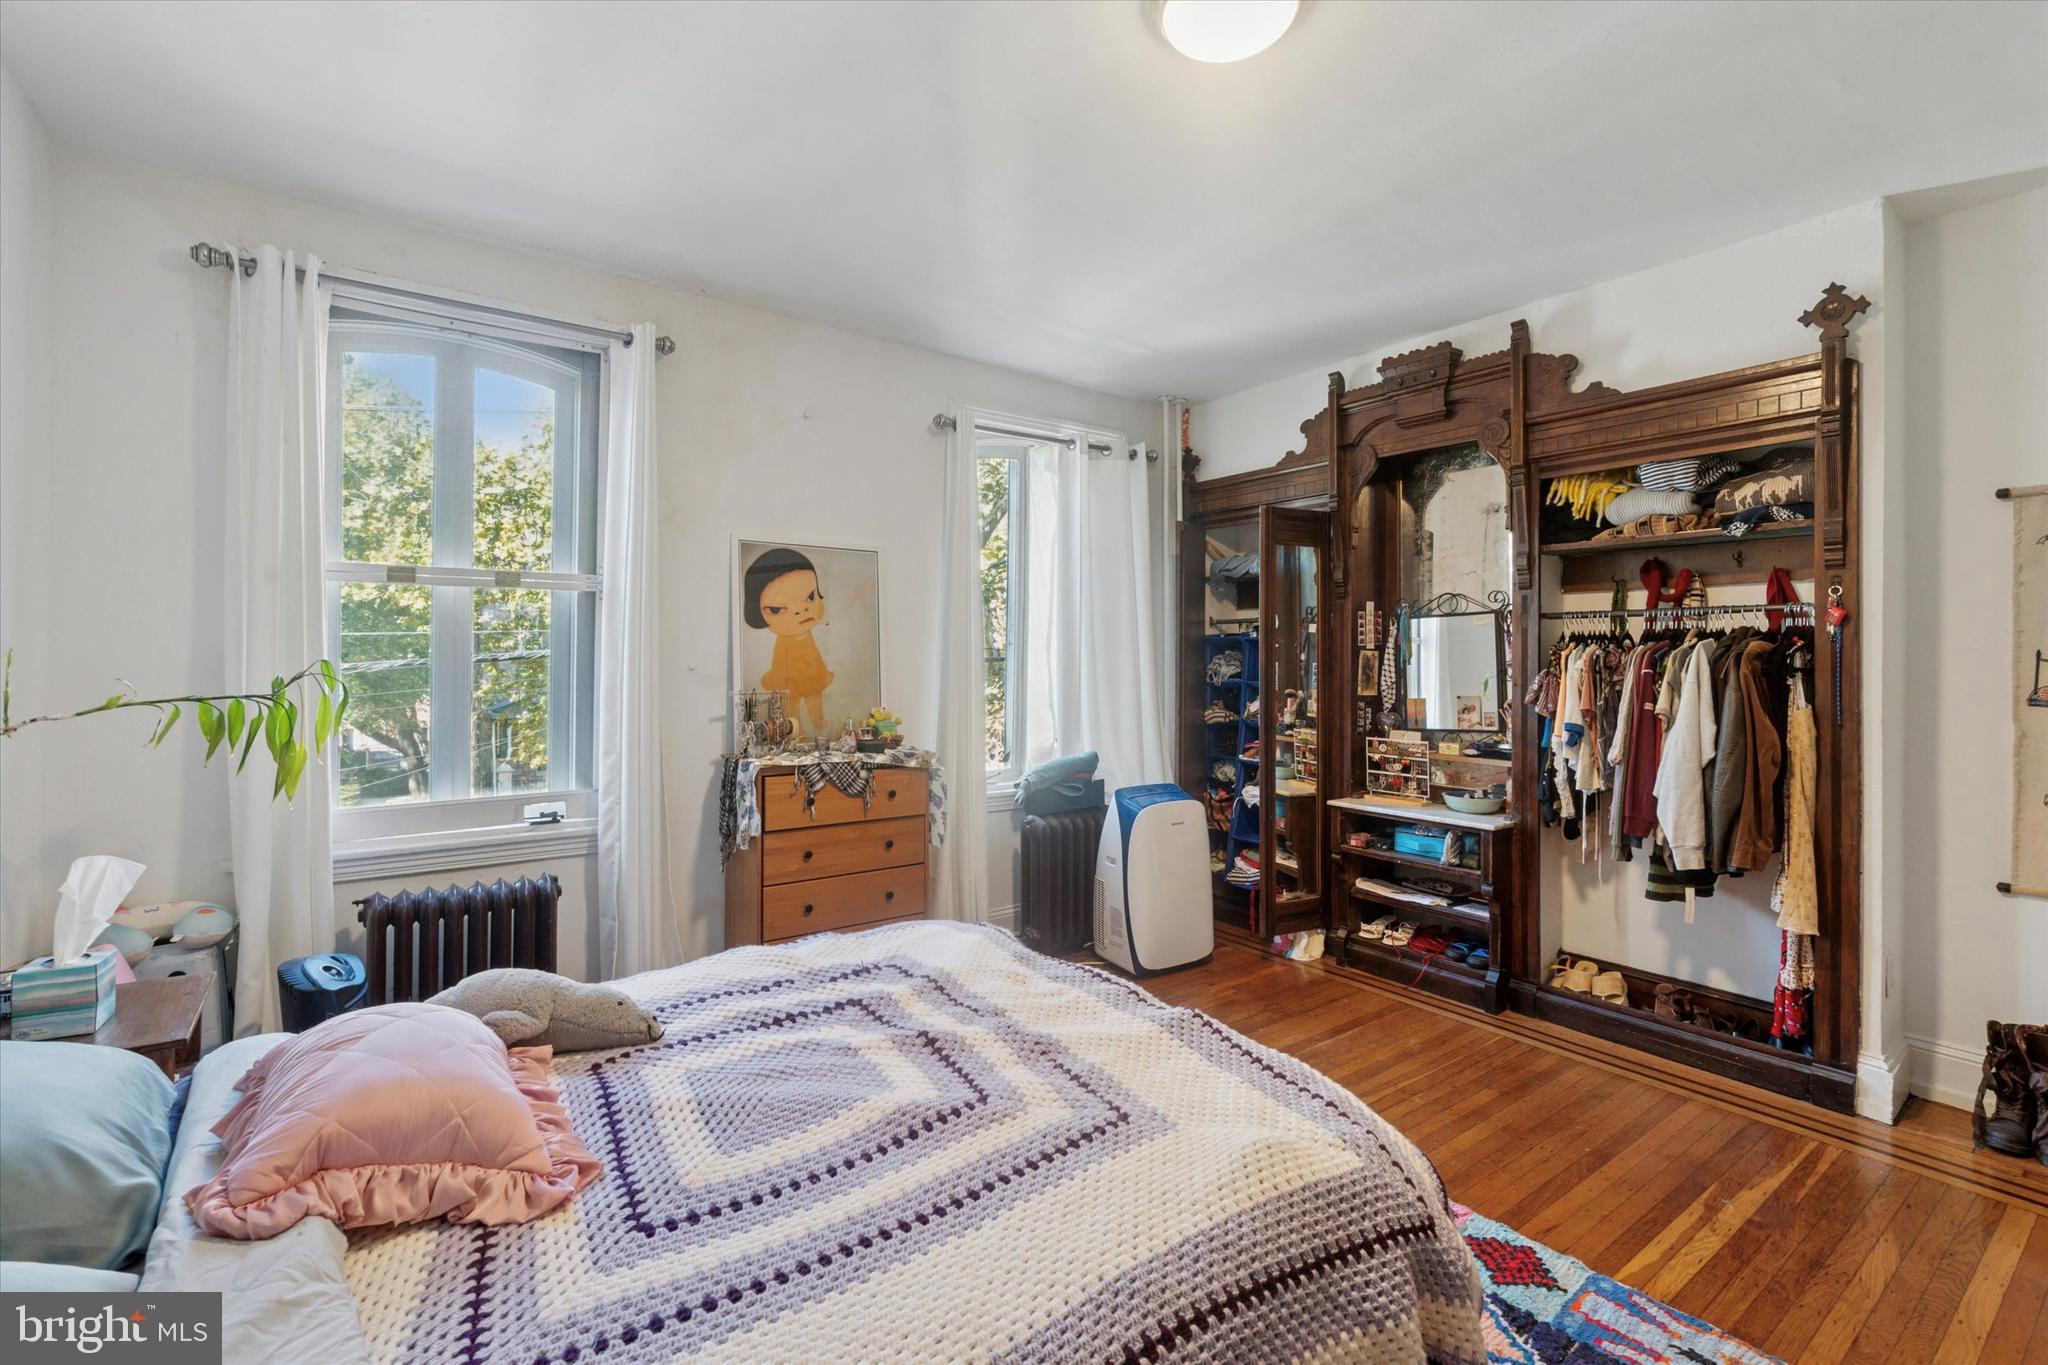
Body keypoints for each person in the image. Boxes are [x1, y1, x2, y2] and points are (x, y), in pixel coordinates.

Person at [744, 547, 834, 736]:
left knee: (815, 695)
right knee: (790, 703)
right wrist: (786, 680)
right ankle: (795, 729)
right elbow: (780, 663)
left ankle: (818, 719)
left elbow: (813, 653)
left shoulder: (809, 633)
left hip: (811, 670)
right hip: (789, 676)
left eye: (810, 597)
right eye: (777, 609)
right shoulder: (783, 641)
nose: (801, 610)